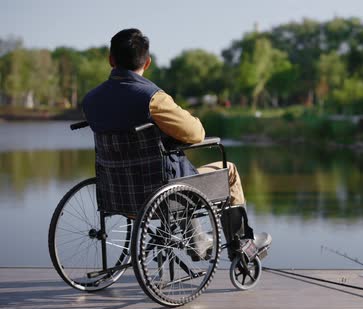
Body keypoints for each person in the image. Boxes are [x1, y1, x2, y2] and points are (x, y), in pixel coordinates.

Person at [82, 28, 270, 257]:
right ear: (147, 62)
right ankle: (241, 246)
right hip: (160, 193)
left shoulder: (91, 101)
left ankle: (198, 238)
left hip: (116, 193)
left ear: (111, 60)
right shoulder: (152, 98)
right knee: (227, 170)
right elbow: (196, 134)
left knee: (174, 174)